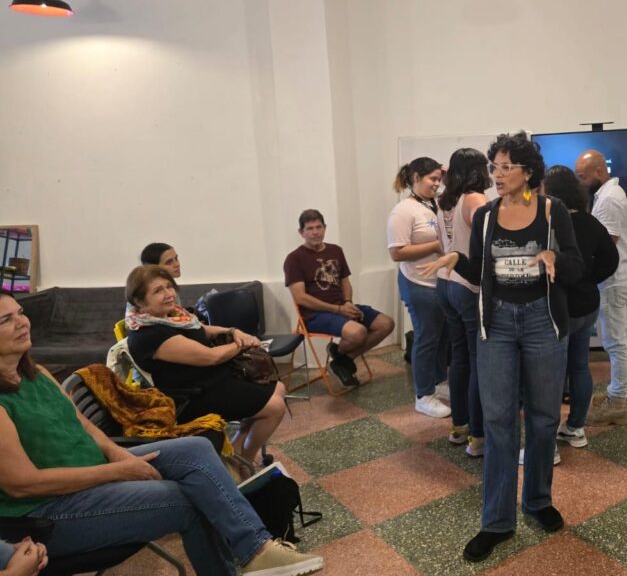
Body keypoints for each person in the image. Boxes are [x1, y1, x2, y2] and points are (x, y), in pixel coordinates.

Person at [0, 289, 324, 576]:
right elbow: (23, 484)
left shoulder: (37, 374)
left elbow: (82, 425)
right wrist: (117, 471)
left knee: (196, 448)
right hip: (49, 511)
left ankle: (256, 549)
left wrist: (118, 455)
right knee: (189, 499)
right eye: (6, 320)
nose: (22, 322)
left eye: (21, 313)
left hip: (92, 475)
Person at [422, 132, 584, 562]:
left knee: (545, 418)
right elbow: (481, 271)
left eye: (506, 167)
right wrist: (457, 260)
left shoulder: (552, 211)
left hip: (542, 321)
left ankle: (537, 500)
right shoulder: (487, 215)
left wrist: (555, 259)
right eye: (494, 166)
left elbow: (577, 264)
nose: (497, 174)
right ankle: (496, 521)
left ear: (527, 172)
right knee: (498, 421)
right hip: (497, 324)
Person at [124, 265, 287, 467]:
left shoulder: (171, 317)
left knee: (279, 388)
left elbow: (202, 330)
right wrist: (242, 343)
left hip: (210, 380)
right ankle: (245, 461)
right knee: (275, 407)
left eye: (169, 286)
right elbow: (211, 357)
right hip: (191, 397)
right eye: (158, 291)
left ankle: (236, 450)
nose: (169, 294)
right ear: (140, 301)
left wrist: (233, 331)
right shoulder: (149, 335)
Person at [541, 165, 618, 450]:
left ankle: (546, 444)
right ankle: (575, 428)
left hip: (561, 307)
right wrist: (587, 278)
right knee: (579, 367)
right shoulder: (591, 221)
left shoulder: (553, 225)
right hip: (587, 305)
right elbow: (611, 259)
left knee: (552, 374)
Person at [284, 209, 395, 389]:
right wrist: (338, 310)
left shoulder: (335, 251)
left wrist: (348, 303)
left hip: (342, 307)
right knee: (358, 333)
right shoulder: (294, 259)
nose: (315, 232)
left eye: (319, 227)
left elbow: (345, 283)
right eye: (310, 228)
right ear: (301, 232)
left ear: (325, 228)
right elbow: (300, 297)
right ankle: (341, 357)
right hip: (314, 315)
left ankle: (342, 359)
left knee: (386, 324)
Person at [574, 149, 627, 424]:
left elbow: (605, 245)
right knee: (621, 337)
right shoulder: (609, 194)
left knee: (614, 341)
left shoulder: (609, 199)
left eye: (583, 176)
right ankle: (626, 391)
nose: (580, 182)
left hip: (612, 280)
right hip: (618, 277)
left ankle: (617, 401)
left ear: (599, 171)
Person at [436, 149, 490, 456]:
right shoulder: (475, 200)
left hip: (445, 282)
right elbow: (489, 241)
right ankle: (478, 436)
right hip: (468, 285)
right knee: (478, 360)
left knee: (459, 358)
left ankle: (460, 427)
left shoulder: (445, 200)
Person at [387, 158, 450, 419]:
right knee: (426, 337)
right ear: (415, 178)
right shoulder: (403, 211)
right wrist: (435, 246)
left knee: (442, 336)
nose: (436, 184)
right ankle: (423, 395)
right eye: (431, 179)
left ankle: (438, 382)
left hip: (439, 281)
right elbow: (397, 252)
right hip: (418, 283)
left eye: (439, 179)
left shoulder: (434, 204)